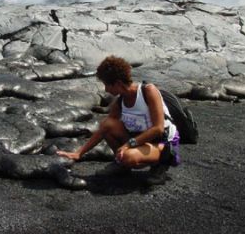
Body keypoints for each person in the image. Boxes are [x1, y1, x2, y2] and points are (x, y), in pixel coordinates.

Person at [56, 55, 180, 185]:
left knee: (129, 156)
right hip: (139, 140)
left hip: (162, 143)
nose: (106, 90)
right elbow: (104, 128)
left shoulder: (148, 91)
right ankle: (123, 166)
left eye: (107, 85)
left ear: (118, 83)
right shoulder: (120, 101)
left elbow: (158, 129)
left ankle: (160, 166)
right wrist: (79, 153)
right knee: (108, 124)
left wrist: (128, 145)